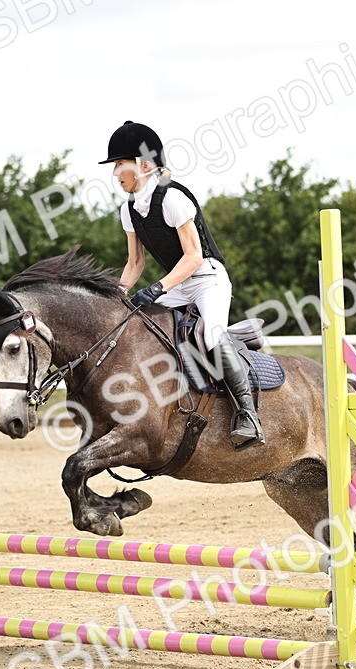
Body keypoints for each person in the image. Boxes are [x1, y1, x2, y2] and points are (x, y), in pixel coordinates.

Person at [100, 120, 263, 450]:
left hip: (207, 279)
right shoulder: (128, 210)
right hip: (177, 283)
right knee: (142, 329)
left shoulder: (174, 198)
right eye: (115, 166)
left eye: (120, 164)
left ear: (144, 165)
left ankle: (248, 414)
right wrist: (116, 297)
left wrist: (158, 288)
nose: (115, 173)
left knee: (210, 334)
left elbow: (193, 256)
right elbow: (135, 263)